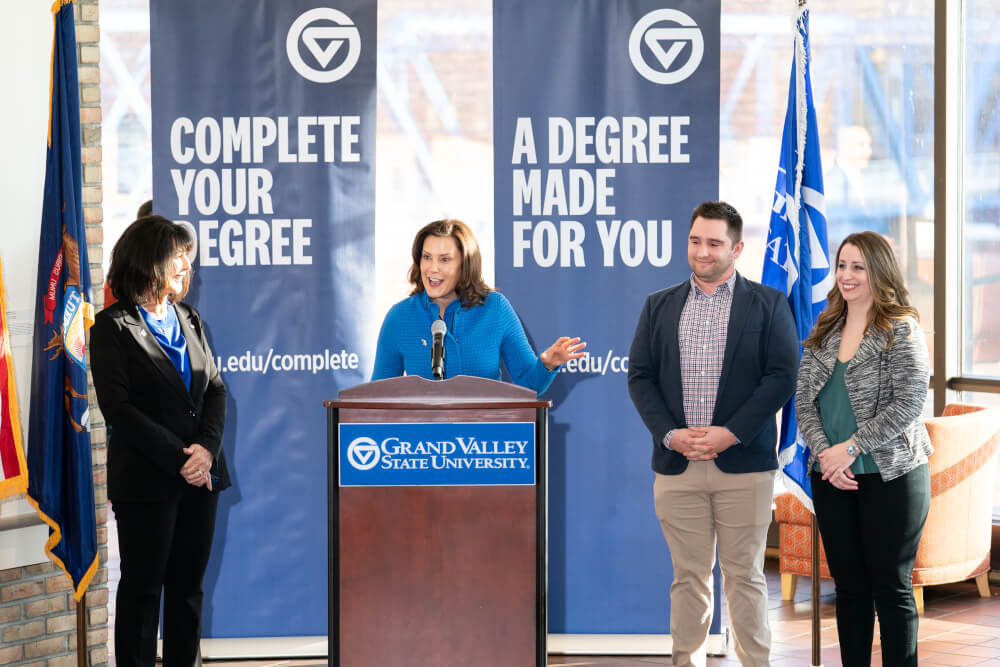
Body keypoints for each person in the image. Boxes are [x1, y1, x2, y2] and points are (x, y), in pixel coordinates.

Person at [627, 201, 799, 667]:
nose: (702, 252)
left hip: (744, 467)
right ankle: (688, 661)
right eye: (695, 241)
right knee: (689, 578)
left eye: (714, 243)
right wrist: (670, 435)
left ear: (737, 248)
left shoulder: (768, 304)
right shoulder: (658, 305)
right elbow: (639, 376)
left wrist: (732, 433)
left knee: (744, 577)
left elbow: (782, 376)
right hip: (678, 467)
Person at [91, 215, 230, 667]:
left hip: (200, 477)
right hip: (147, 482)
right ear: (150, 261)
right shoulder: (111, 327)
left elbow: (215, 389)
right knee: (143, 590)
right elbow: (120, 410)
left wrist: (205, 451)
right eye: (177, 257)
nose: (186, 265)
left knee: (188, 590)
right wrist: (180, 459)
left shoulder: (189, 317)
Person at [796, 231, 931, 667]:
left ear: (879, 271)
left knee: (890, 588)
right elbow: (803, 401)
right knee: (849, 588)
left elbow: (911, 401)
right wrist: (827, 455)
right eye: (842, 265)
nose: (847, 275)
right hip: (832, 477)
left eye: (859, 266)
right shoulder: (826, 326)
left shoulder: (900, 327)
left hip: (892, 477)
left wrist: (850, 449)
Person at [371, 218, 585, 394]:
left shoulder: (495, 309)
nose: (432, 268)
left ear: (465, 264)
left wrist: (547, 364)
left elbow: (527, 387)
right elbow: (377, 397)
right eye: (427, 257)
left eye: (444, 259)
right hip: (420, 441)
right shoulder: (399, 316)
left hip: (484, 440)